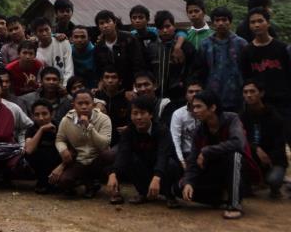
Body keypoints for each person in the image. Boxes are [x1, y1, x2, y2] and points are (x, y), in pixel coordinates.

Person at [182, 90, 259, 220]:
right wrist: (189, 182)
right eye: (193, 107)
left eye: (199, 106)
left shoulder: (232, 119)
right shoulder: (199, 130)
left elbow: (238, 143)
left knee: (234, 155)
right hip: (213, 172)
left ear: (212, 107)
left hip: (237, 170)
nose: (194, 110)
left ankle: (235, 204)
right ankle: (220, 198)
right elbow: (193, 159)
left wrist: (207, 150)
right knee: (180, 187)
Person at [107, 96, 173, 205]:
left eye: (142, 113)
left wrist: (157, 177)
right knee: (130, 160)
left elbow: (163, 155)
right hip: (143, 166)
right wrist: (113, 173)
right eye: (135, 113)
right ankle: (143, 192)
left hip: (160, 166)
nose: (138, 117)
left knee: (170, 164)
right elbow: (123, 154)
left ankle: (169, 194)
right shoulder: (128, 132)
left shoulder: (162, 131)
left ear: (151, 114)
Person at [51, 90, 114, 199]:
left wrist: (89, 127)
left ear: (93, 105)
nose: (84, 107)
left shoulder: (103, 119)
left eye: (87, 103)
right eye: (80, 103)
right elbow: (59, 139)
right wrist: (63, 150)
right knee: (64, 182)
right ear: (73, 105)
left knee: (110, 154)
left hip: (97, 157)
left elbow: (104, 143)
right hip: (79, 159)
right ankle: (86, 182)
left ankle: (93, 182)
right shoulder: (66, 120)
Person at [239, 6, 291, 137]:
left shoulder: (282, 48)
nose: (257, 25)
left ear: (268, 23)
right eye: (253, 22)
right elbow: (246, 78)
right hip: (260, 104)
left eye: (260, 21)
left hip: (283, 103)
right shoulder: (246, 52)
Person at [239, 79, 287, 198]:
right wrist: (256, 149)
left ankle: (274, 188)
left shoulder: (275, 117)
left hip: (272, 160)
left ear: (261, 93)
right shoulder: (242, 116)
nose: (248, 95)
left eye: (252, 91)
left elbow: (280, 145)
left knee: (274, 179)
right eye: (245, 92)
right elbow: (239, 139)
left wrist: (269, 158)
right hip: (251, 157)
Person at [194, 7, 247, 112]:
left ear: (230, 22)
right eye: (217, 20)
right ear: (213, 23)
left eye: (224, 20)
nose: (221, 23)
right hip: (212, 97)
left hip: (237, 97)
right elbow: (200, 71)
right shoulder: (205, 44)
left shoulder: (241, 44)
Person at [147, 10, 194, 111]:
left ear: (174, 26)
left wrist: (184, 83)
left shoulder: (185, 46)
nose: (164, 30)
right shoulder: (151, 47)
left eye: (168, 26)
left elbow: (193, 69)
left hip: (178, 98)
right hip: (155, 98)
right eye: (161, 27)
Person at [93, 10, 145, 91]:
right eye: (102, 23)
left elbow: (138, 65)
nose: (105, 25)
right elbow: (99, 70)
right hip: (110, 87)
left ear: (114, 22)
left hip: (130, 85)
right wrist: (100, 83)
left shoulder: (129, 39)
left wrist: (134, 87)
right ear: (98, 27)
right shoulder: (98, 47)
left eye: (108, 22)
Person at [24, 99, 61, 194]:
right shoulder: (31, 130)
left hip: (59, 164)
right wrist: (41, 130)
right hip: (41, 165)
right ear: (32, 116)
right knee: (34, 153)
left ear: (52, 114)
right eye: (37, 115)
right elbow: (29, 150)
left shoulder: (60, 126)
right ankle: (43, 182)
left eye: (45, 114)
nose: (41, 118)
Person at [93, 66, 130, 145]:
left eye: (114, 77)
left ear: (120, 81)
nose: (110, 80)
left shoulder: (127, 98)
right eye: (106, 77)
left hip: (121, 142)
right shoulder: (95, 96)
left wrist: (129, 128)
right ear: (102, 81)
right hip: (98, 139)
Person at [33, 17, 73, 82]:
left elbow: (69, 68)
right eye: (40, 31)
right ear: (35, 33)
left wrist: (65, 86)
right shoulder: (34, 50)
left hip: (64, 84)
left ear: (51, 29)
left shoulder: (63, 42)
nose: (44, 33)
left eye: (46, 29)